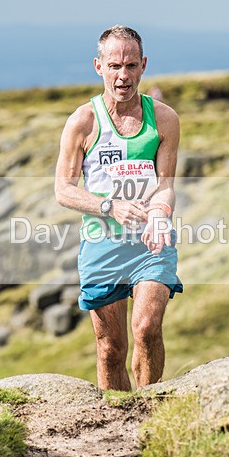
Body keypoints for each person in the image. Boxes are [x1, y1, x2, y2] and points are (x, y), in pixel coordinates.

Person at [54, 25, 182, 391]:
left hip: (150, 243)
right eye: (114, 66)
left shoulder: (164, 119)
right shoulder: (83, 121)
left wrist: (159, 214)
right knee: (111, 349)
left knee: (147, 328)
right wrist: (110, 207)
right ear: (99, 67)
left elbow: (166, 185)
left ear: (143, 65)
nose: (122, 76)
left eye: (130, 65)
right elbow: (63, 189)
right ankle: (117, 420)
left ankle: (150, 409)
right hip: (102, 244)